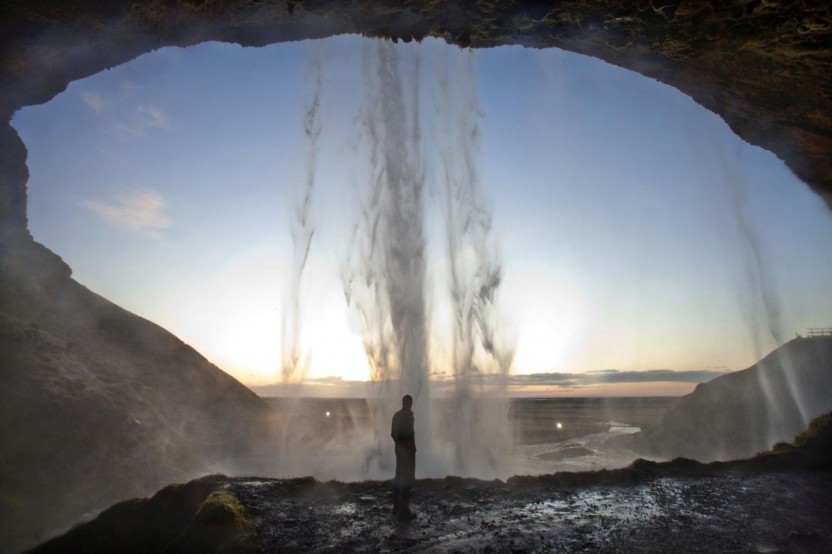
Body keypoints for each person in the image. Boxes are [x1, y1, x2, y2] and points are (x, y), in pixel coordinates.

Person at [391, 394, 416, 521]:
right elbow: (405, 432)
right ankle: (404, 511)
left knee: (399, 476)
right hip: (407, 451)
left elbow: (393, 434)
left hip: (398, 450)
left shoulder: (396, 415)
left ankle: (396, 507)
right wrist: (408, 447)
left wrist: (399, 443)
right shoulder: (408, 416)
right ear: (410, 403)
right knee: (407, 478)